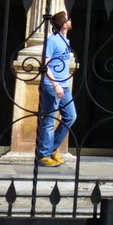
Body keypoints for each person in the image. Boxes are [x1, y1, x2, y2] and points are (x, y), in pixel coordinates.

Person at [35, 9, 77, 168]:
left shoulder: (65, 40)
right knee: (49, 120)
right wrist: (55, 84)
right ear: (64, 24)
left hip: (64, 86)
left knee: (70, 117)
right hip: (53, 86)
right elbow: (45, 64)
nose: (71, 20)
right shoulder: (52, 41)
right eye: (68, 18)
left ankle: (51, 149)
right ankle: (43, 155)